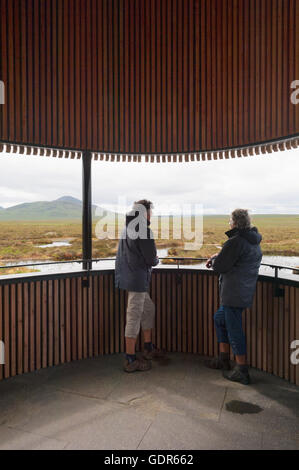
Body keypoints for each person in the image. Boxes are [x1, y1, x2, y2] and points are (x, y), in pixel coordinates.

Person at [205, 209, 262, 385]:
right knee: (219, 319)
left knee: (234, 329)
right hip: (243, 291)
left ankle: (241, 370)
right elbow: (235, 260)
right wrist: (219, 254)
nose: (229, 223)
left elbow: (220, 266)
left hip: (232, 294)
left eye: (230, 220)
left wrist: (214, 259)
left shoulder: (235, 242)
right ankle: (223, 358)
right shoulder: (253, 241)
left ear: (235, 223)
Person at [115, 199, 165, 372]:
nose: (151, 214)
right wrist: (157, 260)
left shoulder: (127, 228)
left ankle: (148, 348)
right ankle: (130, 359)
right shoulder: (143, 230)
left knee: (148, 309)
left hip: (130, 277)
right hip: (137, 280)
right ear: (145, 212)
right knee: (134, 316)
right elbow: (152, 259)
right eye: (151, 211)